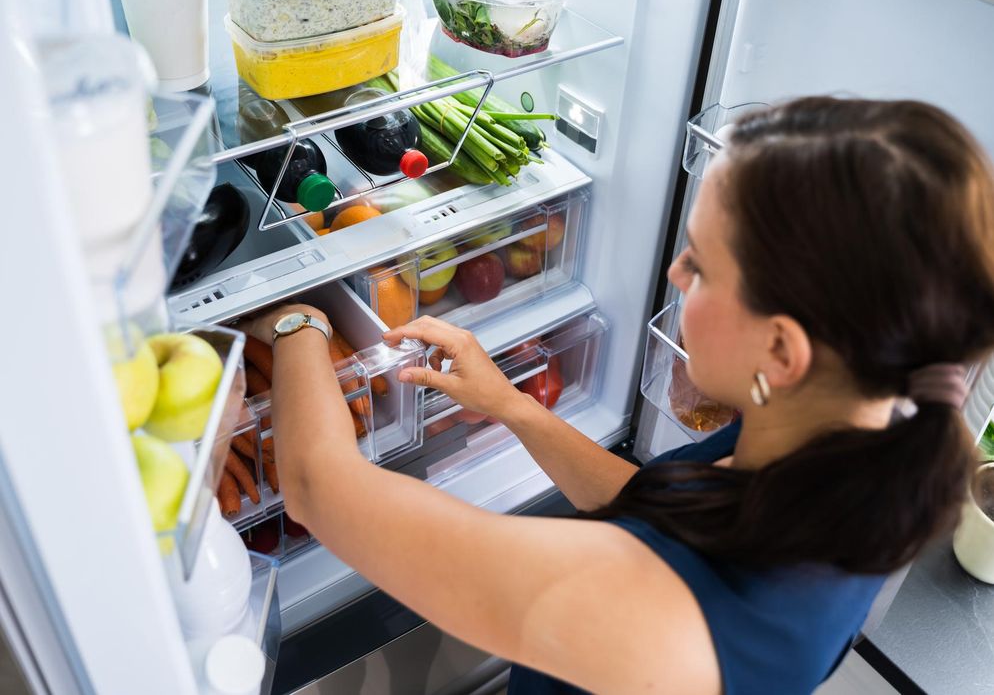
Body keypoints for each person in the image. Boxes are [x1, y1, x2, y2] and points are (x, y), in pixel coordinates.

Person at [242, 97, 994, 694]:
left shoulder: (645, 615)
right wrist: (512, 405)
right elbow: (668, 509)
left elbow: (314, 485)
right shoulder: (868, 438)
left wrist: (300, 313)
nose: (675, 274)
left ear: (781, 351)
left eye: (702, 266)